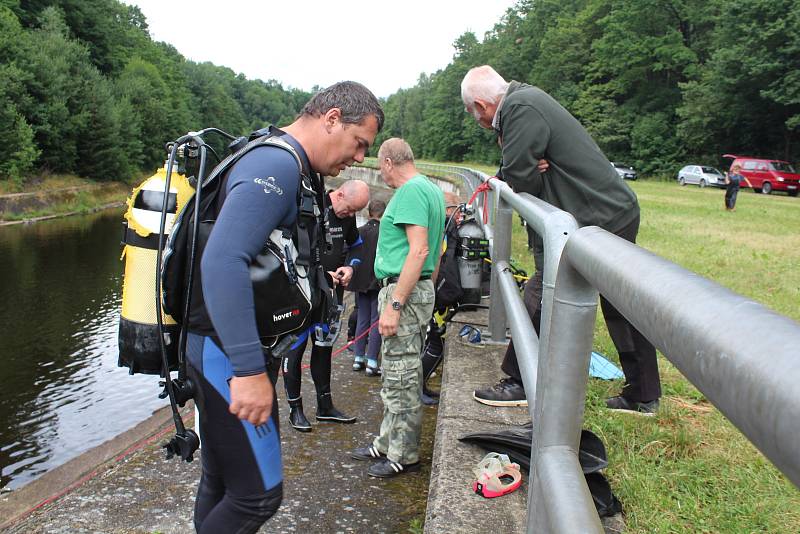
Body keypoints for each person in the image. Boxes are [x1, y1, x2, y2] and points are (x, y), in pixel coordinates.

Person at [186, 81, 383, 533]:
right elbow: (222, 260)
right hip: (225, 354)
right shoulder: (277, 164)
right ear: (332, 118)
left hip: (217, 347)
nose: (358, 158)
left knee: (222, 480)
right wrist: (249, 370)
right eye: (358, 144)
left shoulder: (286, 160)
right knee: (257, 497)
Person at [461, 65, 661, 416]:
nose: (474, 119)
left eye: (470, 112)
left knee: (549, 292)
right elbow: (518, 169)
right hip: (601, 213)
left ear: (481, 105)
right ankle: (643, 394)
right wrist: (517, 166)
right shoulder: (523, 102)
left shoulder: (519, 108)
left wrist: (519, 167)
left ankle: (520, 381)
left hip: (601, 216)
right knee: (610, 303)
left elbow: (520, 176)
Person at [349, 138, 445, 478]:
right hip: (415, 291)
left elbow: (418, 252)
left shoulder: (410, 193)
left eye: (380, 165)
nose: (381, 173)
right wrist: (423, 293)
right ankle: (386, 442)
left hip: (402, 293)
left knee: (401, 376)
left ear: (388, 162)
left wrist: (395, 303)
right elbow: (436, 250)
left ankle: (403, 453)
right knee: (396, 371)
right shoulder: (431, 191)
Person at [282, 180, 370, 432]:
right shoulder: (309, 207)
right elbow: (289, 252)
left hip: (332, 297)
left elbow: (357, 246)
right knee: (294, 351)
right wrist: (319, 276)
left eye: (355, 212)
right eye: (349, 209)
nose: (350, 215)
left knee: (323, 348)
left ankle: (325, 406)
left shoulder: (348, 217)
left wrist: (351, 266)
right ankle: (295, 409)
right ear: (339, 194)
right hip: (302, 295)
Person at [419, 191, 463, 405]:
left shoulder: (440, 226)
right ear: (446, 209)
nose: (459, 215)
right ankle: (419, 388)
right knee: (435, 345)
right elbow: (443, 260)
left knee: (433, 343)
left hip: (438, 291)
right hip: (439, 294)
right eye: (456, 209)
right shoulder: (446, 228)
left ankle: (422, 385)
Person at [348, 198, 386, 376]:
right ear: (384, 214)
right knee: (375, 321)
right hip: (377, 282)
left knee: (362, 319)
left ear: (369, 213)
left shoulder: (359, 231)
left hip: (360, 282)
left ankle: (358, 357)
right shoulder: (386, 233)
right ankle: (372, 361)